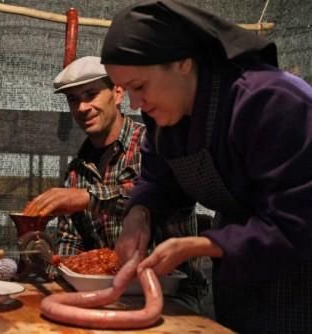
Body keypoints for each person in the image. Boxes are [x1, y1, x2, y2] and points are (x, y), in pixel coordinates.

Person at [101, 0, 312, 333]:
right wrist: (139, 212)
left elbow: (298, 221)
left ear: (183, 62)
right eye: (126, 90)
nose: (134, 104)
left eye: (139, 87)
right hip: (240, 272)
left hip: (299, 272)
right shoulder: (164, 117)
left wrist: (202, 245)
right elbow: (159, 180)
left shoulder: (272, 102)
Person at [23, 56, 208, 314]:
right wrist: (48, 258)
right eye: (73, 100)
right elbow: (71, 243)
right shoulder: (77, 171)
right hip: (106, 293)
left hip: (172, 293)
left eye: (91, 94)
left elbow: (167, 195)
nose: (82, 107)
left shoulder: (153, 143)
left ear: (118, 93)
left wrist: (88, 198)